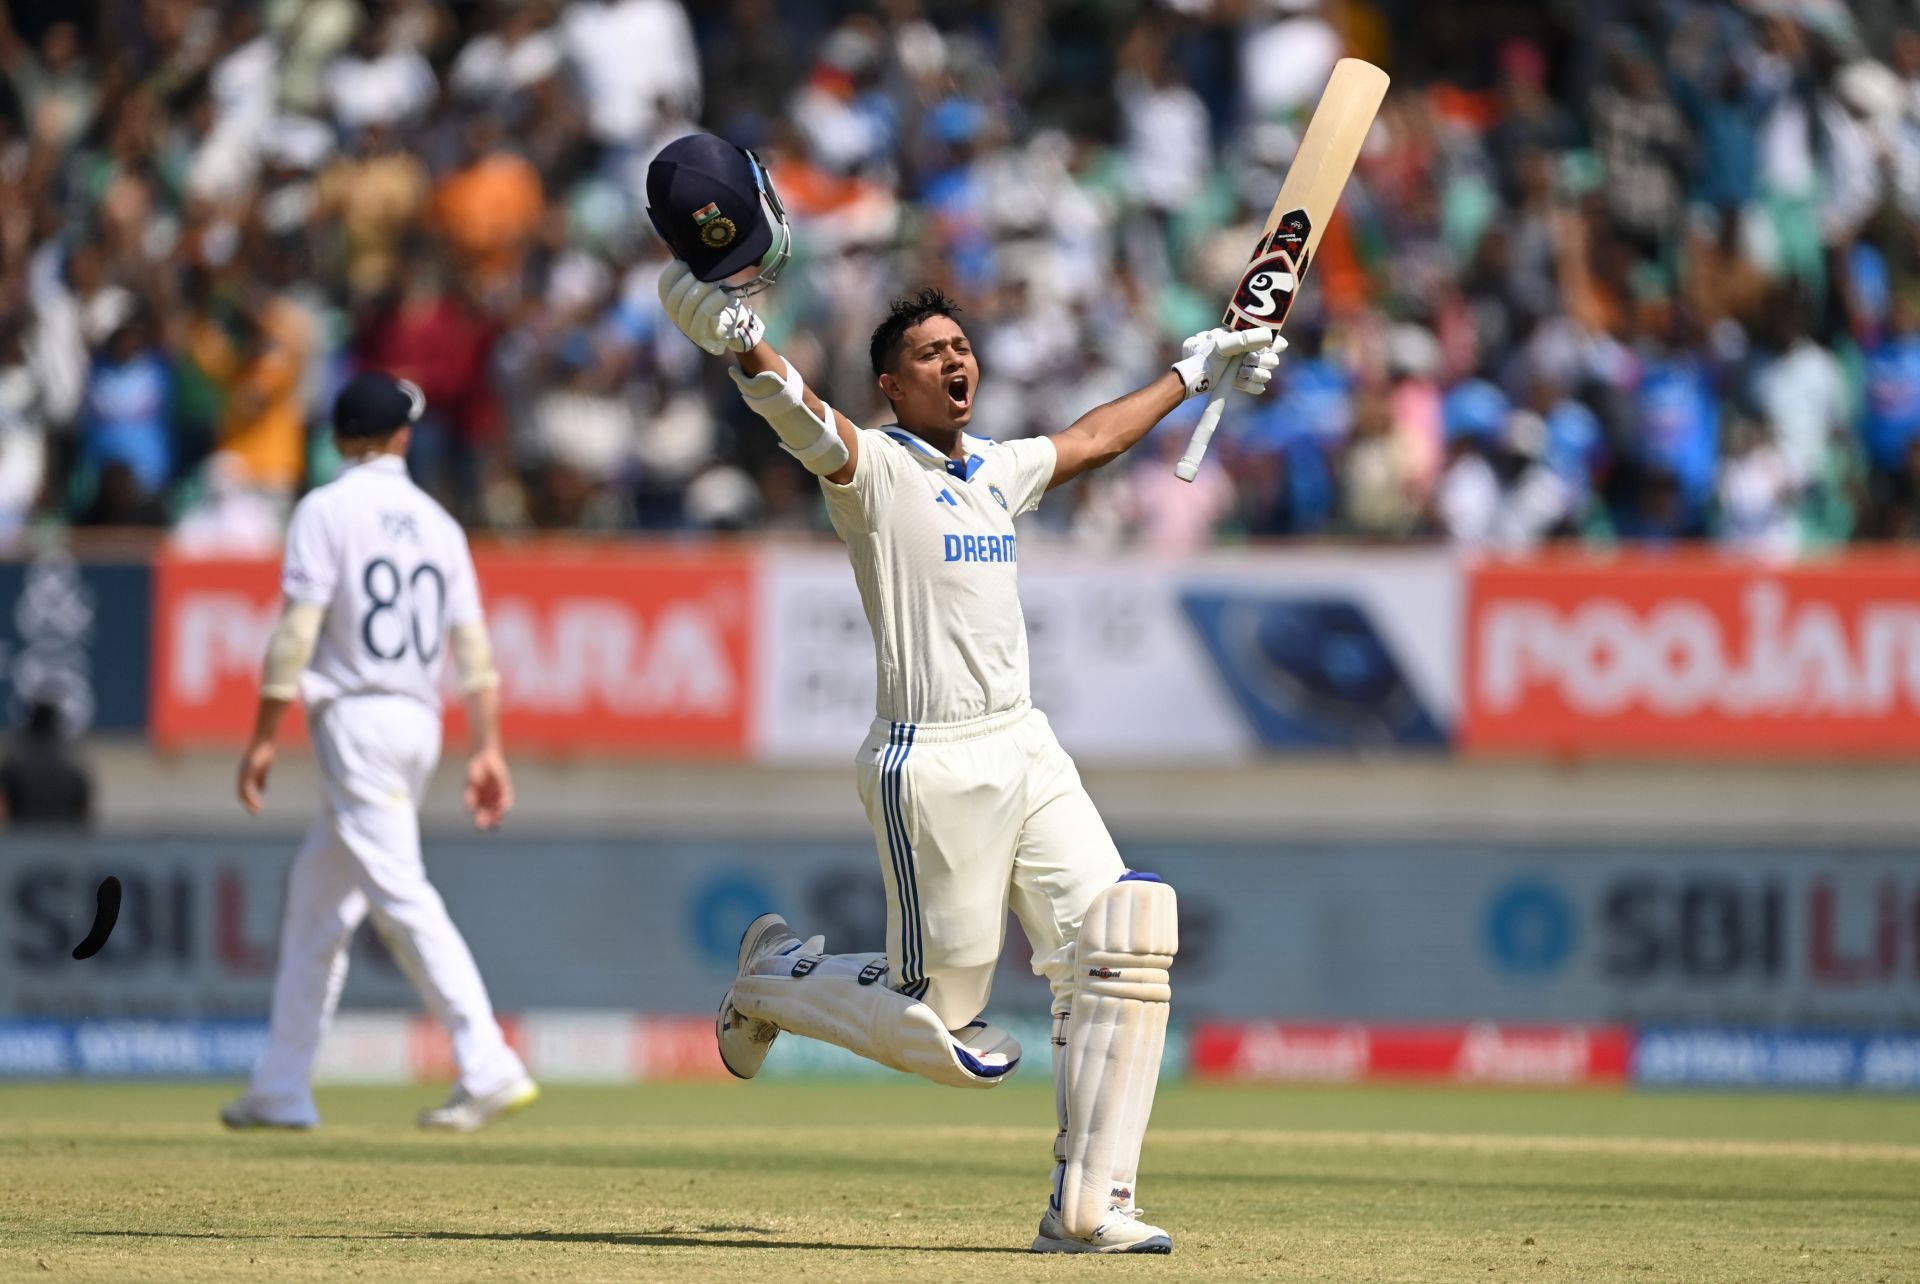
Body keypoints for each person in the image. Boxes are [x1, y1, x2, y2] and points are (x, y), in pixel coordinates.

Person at [648, 134, 1282, 1255]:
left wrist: (1199, 371)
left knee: (1125, 938)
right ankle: (773, 980)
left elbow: (1089, 438)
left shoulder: (994, 470)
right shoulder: (876, 473)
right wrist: (743, 351)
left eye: (963, 349)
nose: (956, 364)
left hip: (1025, 750)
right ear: (892, 384)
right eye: (931, 355)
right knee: (937, 1024)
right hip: (928, 764)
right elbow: (798, 413)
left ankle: (1091, 1206)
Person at [221, 371, 536, 1134]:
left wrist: (263, 736)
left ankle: (488, 1060)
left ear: (336, 440)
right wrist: (487, 749)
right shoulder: (439, 522)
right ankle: (281, 1085)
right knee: (317, 901)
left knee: (398, 893)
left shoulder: (325, 509)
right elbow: (474, 652)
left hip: (356, 720)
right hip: (416, 721)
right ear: (401, 437)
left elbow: (297, 632)